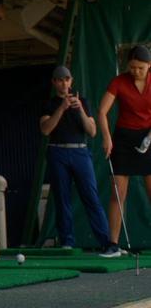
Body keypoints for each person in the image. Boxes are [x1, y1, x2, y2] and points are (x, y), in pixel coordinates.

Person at [40, 66, 119, 257]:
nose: (64, 83)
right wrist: (62, 108)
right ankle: (67, 242)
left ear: (71, 80)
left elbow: (92, 131)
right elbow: (45, 129)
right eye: (59, 80)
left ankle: (106, 243)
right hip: (58, 152)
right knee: (62, 198)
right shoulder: (50, 104)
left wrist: (80, 110)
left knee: (91, 197)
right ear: (54, 82)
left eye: (66, 79)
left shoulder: (82, 101)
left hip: (80, 152)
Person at [98, 45, 151, 251]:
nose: (136, 71)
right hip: (123, 139)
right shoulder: (119, 82)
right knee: (117, 193)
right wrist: (107, 137)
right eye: (132, 67)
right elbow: (102, 111)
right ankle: (113, 244)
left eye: (140, 68)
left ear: (149, 65)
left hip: (147, 137)